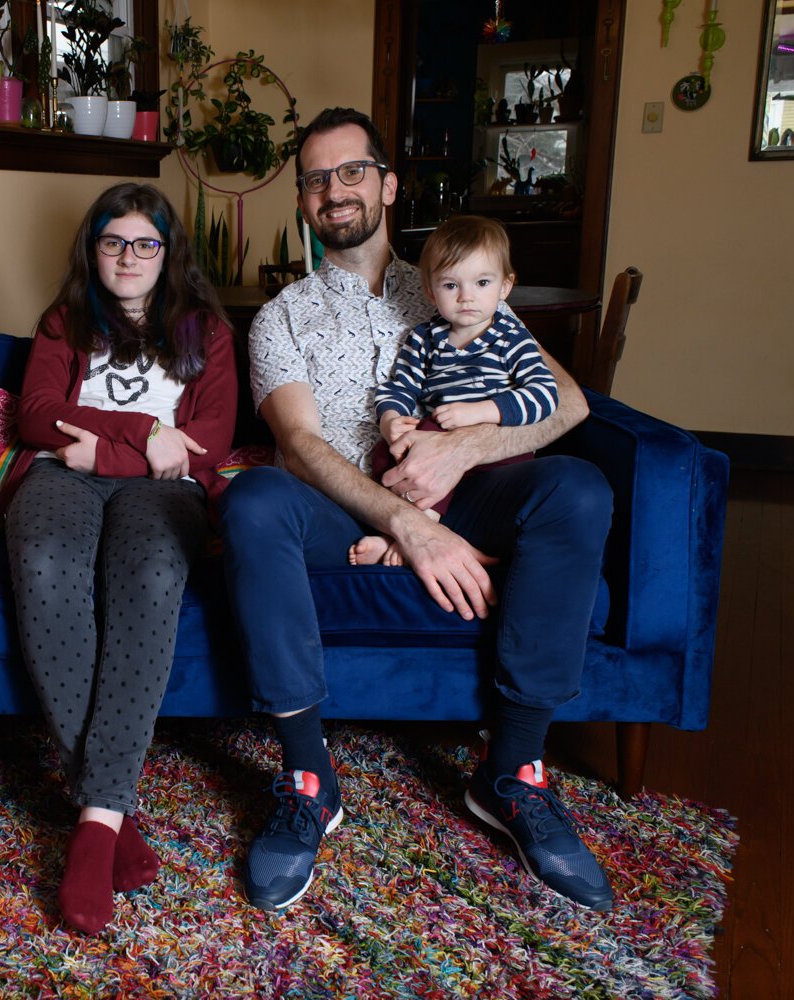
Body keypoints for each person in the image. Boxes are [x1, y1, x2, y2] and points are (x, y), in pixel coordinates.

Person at [220, 106, 615, 913]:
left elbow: (566, 404)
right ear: (302, 200)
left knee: (576, 488)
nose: (335, 190)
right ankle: (307, 778)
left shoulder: (454, 280)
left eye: (352, 171)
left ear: (388, 184)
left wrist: (458, 453)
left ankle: (513, 773)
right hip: (338, 512)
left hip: (467, 498)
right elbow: (297, 446)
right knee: (257, 495)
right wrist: (406, 524)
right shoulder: (280, 317)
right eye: (317, 178)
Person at [6, 183, 237, 934]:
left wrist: (105, 450)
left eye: (146, 243)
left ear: (169, 252)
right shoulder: (65, 320)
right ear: (93, 249)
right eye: (114, 242)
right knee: (41, 559)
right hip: (61, 477)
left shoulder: (205, 329)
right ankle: (111, 812)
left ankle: (95, 818)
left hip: (160, 492)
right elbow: (34, 414)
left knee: (151, 572)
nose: (129, 257)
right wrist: (141, 429)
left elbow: (212, 445)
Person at [350, 214, 557, 566]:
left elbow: (544, 394)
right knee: (388, 452)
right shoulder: (424, 339)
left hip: (496, 452)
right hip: (438, 440)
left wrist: (482, 411)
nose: (466, 297)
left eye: (481, 282)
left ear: (505, 287)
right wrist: (391, 419)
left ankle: (416, 531)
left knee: (433, 437)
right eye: (450, 286)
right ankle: (408, 530)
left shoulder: (512, 338)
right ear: (430, 291)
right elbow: (399, 386)